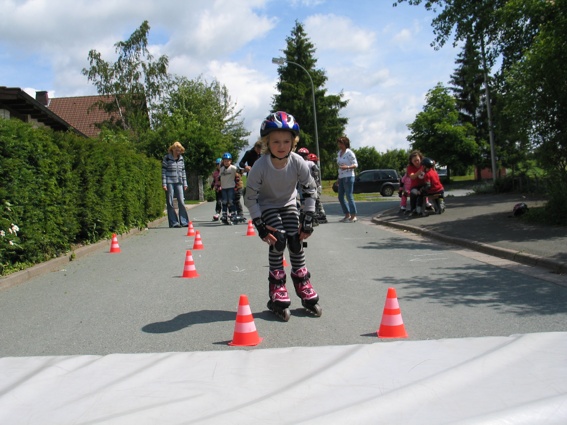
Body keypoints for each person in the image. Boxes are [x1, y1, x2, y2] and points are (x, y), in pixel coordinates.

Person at [245, 111, 321, 321]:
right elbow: (250, 197)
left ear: (293, 142)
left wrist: (308, 218)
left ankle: (302, 281)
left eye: (286, 141)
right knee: (278, 240)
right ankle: (277, 287)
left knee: (295, 240)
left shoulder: (298, 162)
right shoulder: (260, 166)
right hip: (267, 205)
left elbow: (310, 189)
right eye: (275, 141)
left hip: (288, 204)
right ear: (267, 143)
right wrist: (259, 224)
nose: (281, 146)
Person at [162, 141, 189, 228]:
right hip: (170, 182)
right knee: (170, 202)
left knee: (181, 201)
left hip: (179, 182)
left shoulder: (181, 158)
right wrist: (164, 183)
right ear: (173, 149)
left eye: (180, 150)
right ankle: (174, 222)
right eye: (177, 150)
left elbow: (183, 171)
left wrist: (185, 183)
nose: (178, 152)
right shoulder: (167, 158)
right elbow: (163, 172)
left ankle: (184, 221)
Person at [336, 136, 358, 222]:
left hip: (348, 176)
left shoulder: (349, 153)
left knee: (349, 195)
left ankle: (353, 215)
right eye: (339, 143)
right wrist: (338, 178)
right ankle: (347, 214)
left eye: (341, 143)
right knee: (340, 196)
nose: (339, 145)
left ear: (345, 144)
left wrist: (347, 167)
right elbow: (339, 166)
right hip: (341, 176)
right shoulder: (339, 153)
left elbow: (355, 164)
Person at [306, 153, 327, 224]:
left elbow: (315, 176)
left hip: (316, 186)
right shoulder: (313, 167)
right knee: (315, 200)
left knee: (316, 200)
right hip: (315, 186)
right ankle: (317, 214)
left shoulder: (314, 168)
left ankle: (321, 214)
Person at [219, 152, 238, 224]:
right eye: (225, 161)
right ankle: (224, 215)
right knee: (224, 202)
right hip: (223, 187)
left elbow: (239, 171)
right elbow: (220, 178)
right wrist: (218, 185)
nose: (226, 162)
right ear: (223, 161)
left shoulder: (233, 168)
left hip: (230, 187)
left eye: (228, 161)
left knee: (231, 201)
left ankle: (233, 214)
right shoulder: (222, 169)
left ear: (231, 161)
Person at [407, 150, 425, 216]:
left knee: (423, 192)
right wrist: (418, 172)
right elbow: (412, 176)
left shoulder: (424, 165)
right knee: (413, 193)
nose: (417, 162)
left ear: (420, 159)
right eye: (414, 161)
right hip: (415, 186)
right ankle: (413, 209)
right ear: (411, 161)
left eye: (418, 160)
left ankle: (421, 208)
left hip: (424, 184)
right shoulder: (410, 167)